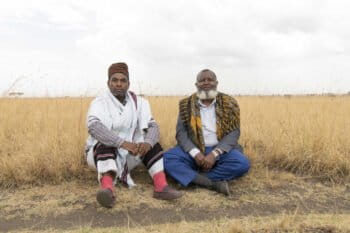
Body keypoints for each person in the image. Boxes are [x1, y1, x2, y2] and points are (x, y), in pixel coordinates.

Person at [85, 62, 182, 208]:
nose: (119, 84)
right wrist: (122, 143)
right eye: (115, 80)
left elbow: (153, 126)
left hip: (131, 154)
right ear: (108, 83)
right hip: (99, 156)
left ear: (128, 83)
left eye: (123, 80)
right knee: (104, 144)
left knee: (153, 143)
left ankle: (161, 187)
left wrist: (147, 143)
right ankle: (107, 189)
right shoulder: (99, 102)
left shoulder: (140, 102)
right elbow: (94, 127)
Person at [163, 69, 250, 196]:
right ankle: (212, 184)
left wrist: (214, 154)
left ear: (216, 83)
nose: (206, 82)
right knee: (166, 159)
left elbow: (234, 132)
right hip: (194, 149)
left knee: (242, 163)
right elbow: (181, 133)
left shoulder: (229, 102)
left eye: (210, 79)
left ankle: (194, 178)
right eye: (202, 80)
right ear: (196, 85)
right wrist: (196, 153)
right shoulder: (186, 105)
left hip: (220, 150)